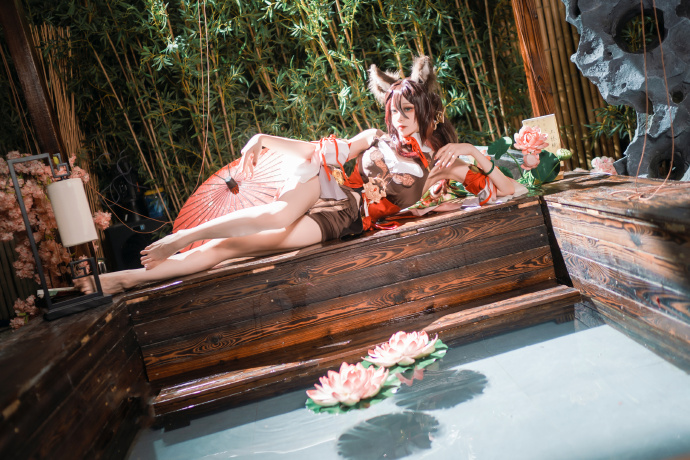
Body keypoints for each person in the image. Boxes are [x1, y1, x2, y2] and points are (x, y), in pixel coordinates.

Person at [76, 56, 518, 295]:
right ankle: (179, 238)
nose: (398, 119)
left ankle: (125, 279)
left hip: (343, 218)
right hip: (323, 183)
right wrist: (263, 139)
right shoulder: (373, 138)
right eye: (394, 110)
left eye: (406, 111)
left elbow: (511, 192)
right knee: (274, 215)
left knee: (232, 248)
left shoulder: (441, 164)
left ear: (424, 111)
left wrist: (473, 153)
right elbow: (318, 151)